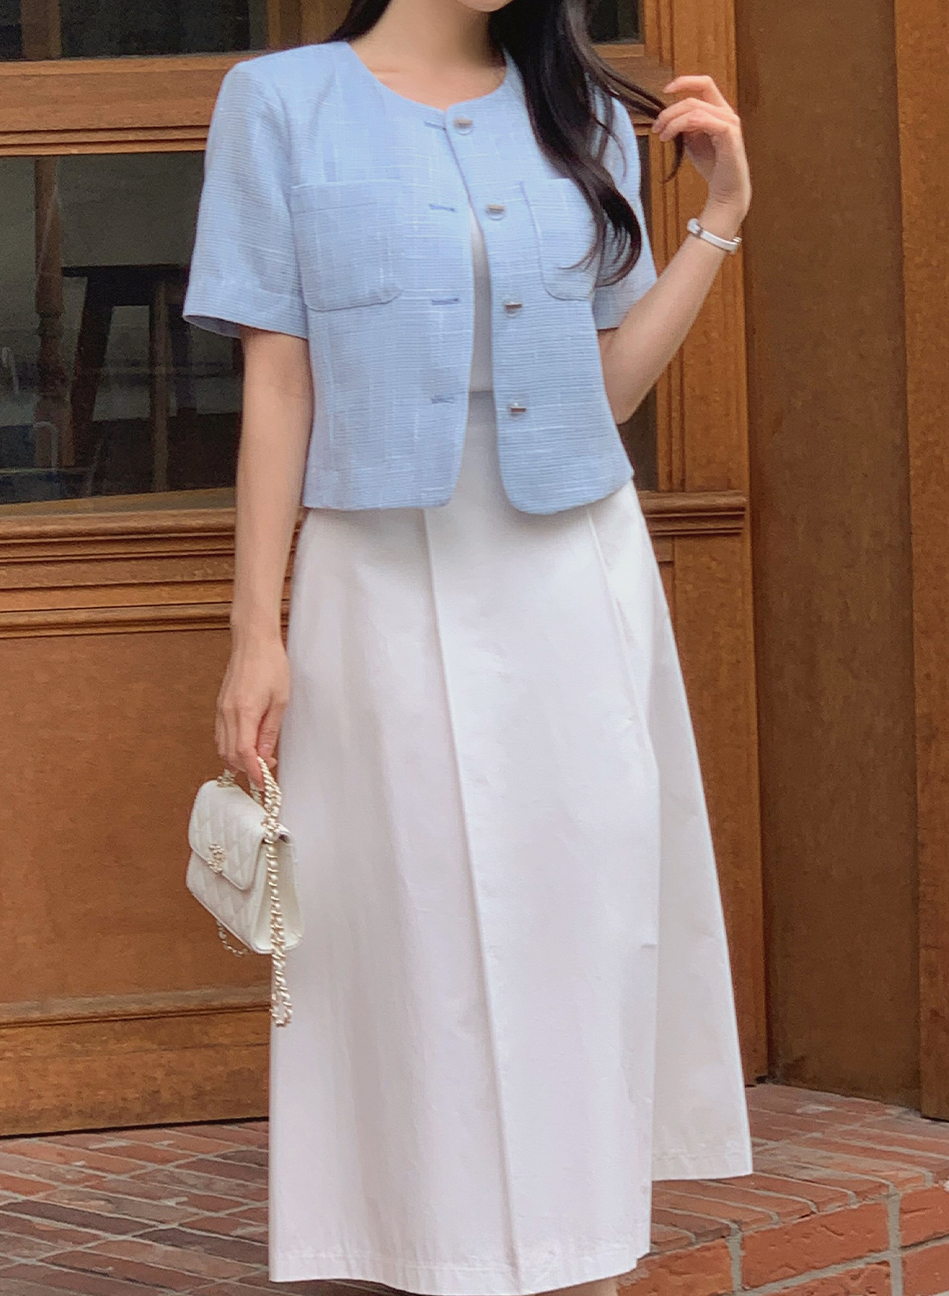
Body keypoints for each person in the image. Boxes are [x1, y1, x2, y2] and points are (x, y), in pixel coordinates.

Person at [182, 0, 754, 1290]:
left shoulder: (579, 105)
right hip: (378, 562)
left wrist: (719, 217)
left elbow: (605, 388)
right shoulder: (279, 103)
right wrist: (256, 631)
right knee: (412, 911)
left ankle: (580, 1244)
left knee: (587, 901)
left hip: (572, 559)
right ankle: (429, 1246)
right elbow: (279, 379)